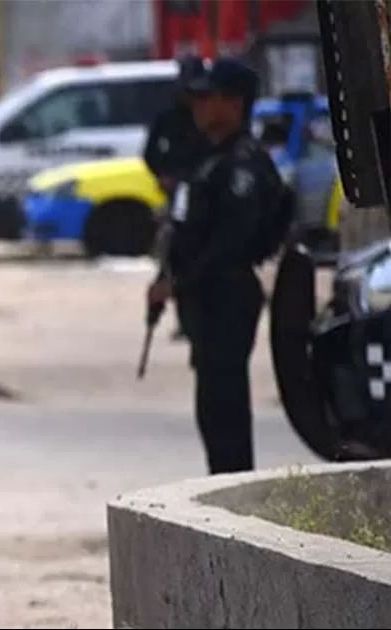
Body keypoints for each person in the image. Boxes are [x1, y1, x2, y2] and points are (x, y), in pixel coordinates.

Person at [147, 57, 285, 475]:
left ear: (235, 103)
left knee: (225, 409)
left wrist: (180, 280)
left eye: (208, 97)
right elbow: (185, 228)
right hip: (204, 299)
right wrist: (166, 275)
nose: (198, 106)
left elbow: (231, 243)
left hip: (226, 295)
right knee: (211, 406)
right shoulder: (206, 157)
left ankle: (235, 497)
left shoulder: (241, 164)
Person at [143, 54, 211, 341]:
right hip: (177, 191)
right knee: (176, 254)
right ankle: (186, 318)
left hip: (207, 192)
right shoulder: (168, 113)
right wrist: (163, 175)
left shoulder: (209, 110)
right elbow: (150, 152)